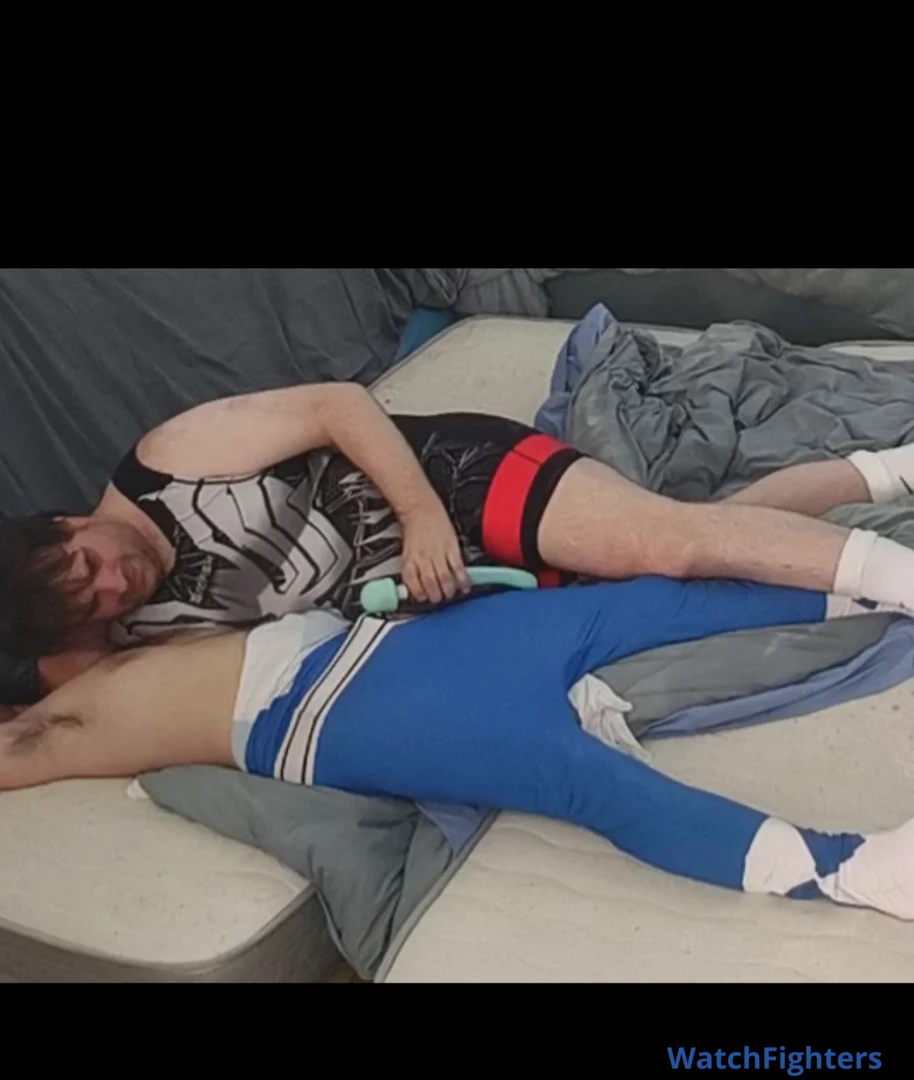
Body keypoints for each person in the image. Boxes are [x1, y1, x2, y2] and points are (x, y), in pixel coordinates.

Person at [1, 575, 912, 921]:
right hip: (333, 716)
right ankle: (850, 871)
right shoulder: (58, 719)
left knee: (651, 601)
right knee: (581, 780)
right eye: (71, 590)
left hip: (394, 644)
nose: (100, 590)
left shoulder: (132, 637)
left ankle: (877, 589)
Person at [3, 382, 914, 697]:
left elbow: (338, 403)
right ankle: (883, 472)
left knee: (668, 545)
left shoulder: (172, 459)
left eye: (91, 563)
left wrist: (420, 517)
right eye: (93, 602)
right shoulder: (100, 633)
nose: (115, 585)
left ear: (68, 522)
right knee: (688, 561)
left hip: (447, 479)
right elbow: (50, 704)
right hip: (437, 594)